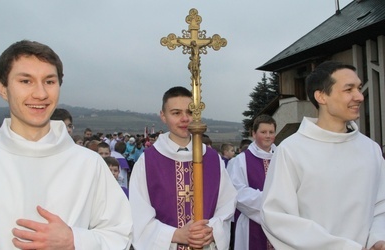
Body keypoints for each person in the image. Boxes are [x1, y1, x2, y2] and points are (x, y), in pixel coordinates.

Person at [0, 40, 132, 249]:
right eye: (26, 81)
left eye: (50, 81)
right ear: (2, 88)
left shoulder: (89, 164)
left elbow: (121, 234)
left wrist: (75, 240)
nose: (41, 94)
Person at [261, 61, 385, 249]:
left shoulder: (371, 149)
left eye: (359, 88)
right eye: (348, 89)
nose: (359, 96)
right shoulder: (292, 150)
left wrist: (377, 238)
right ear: (321, 96)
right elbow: (277, 216)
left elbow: (381, 204)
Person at [129, 86, 237, 249]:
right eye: (176, 113)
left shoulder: (212, 158)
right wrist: (177, 235)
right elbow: (139, 213)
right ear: (163, 116)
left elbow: (227, 203)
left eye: (189, 112)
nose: (185, 119)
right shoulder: (148, 161)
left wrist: (211, 230)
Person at [227, 114, 277, 250]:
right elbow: (237, 193)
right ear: (254, 134)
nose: (268, 136)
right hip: (250, 222)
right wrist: (272, 202)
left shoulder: (282, 158)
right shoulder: (240, 161)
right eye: (263, 132)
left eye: (271, 132)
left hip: (280, 224)